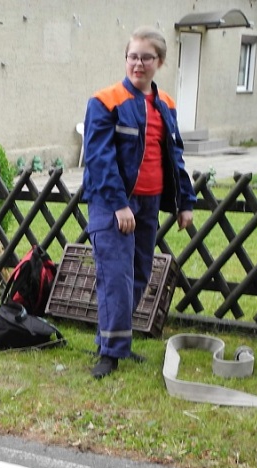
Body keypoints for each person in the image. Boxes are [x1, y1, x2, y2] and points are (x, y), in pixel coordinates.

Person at [82, 26, 196, 379]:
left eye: (146, 57)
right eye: (133, 56)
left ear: (159, 62)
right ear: (126, 59)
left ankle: (115, 343)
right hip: (113, 203)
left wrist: (184, 202)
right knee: (115, 277)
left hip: (148, 203)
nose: (138, 63)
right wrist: (119, 204)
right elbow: (99, 159)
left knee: (139, 275)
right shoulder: (105, 101)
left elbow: (174, 156)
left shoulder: (167, 106)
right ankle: (110, 354)